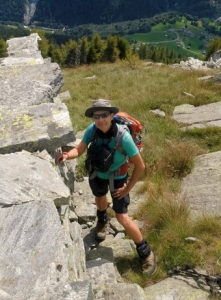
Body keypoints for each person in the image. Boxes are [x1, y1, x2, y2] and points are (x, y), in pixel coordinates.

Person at [56, 99, 156, 275]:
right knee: (99, 197)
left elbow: (140, 166)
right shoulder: (92, 130)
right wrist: (67, 156)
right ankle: (102, 221)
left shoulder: (123, 137)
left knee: (122, 217)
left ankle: (146, 253)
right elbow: (79, 150)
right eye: (97, 116)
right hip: (97, 175)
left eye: (104, 115)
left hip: (118, 180)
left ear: (111, 115)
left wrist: (127, 189)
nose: (100, 119)